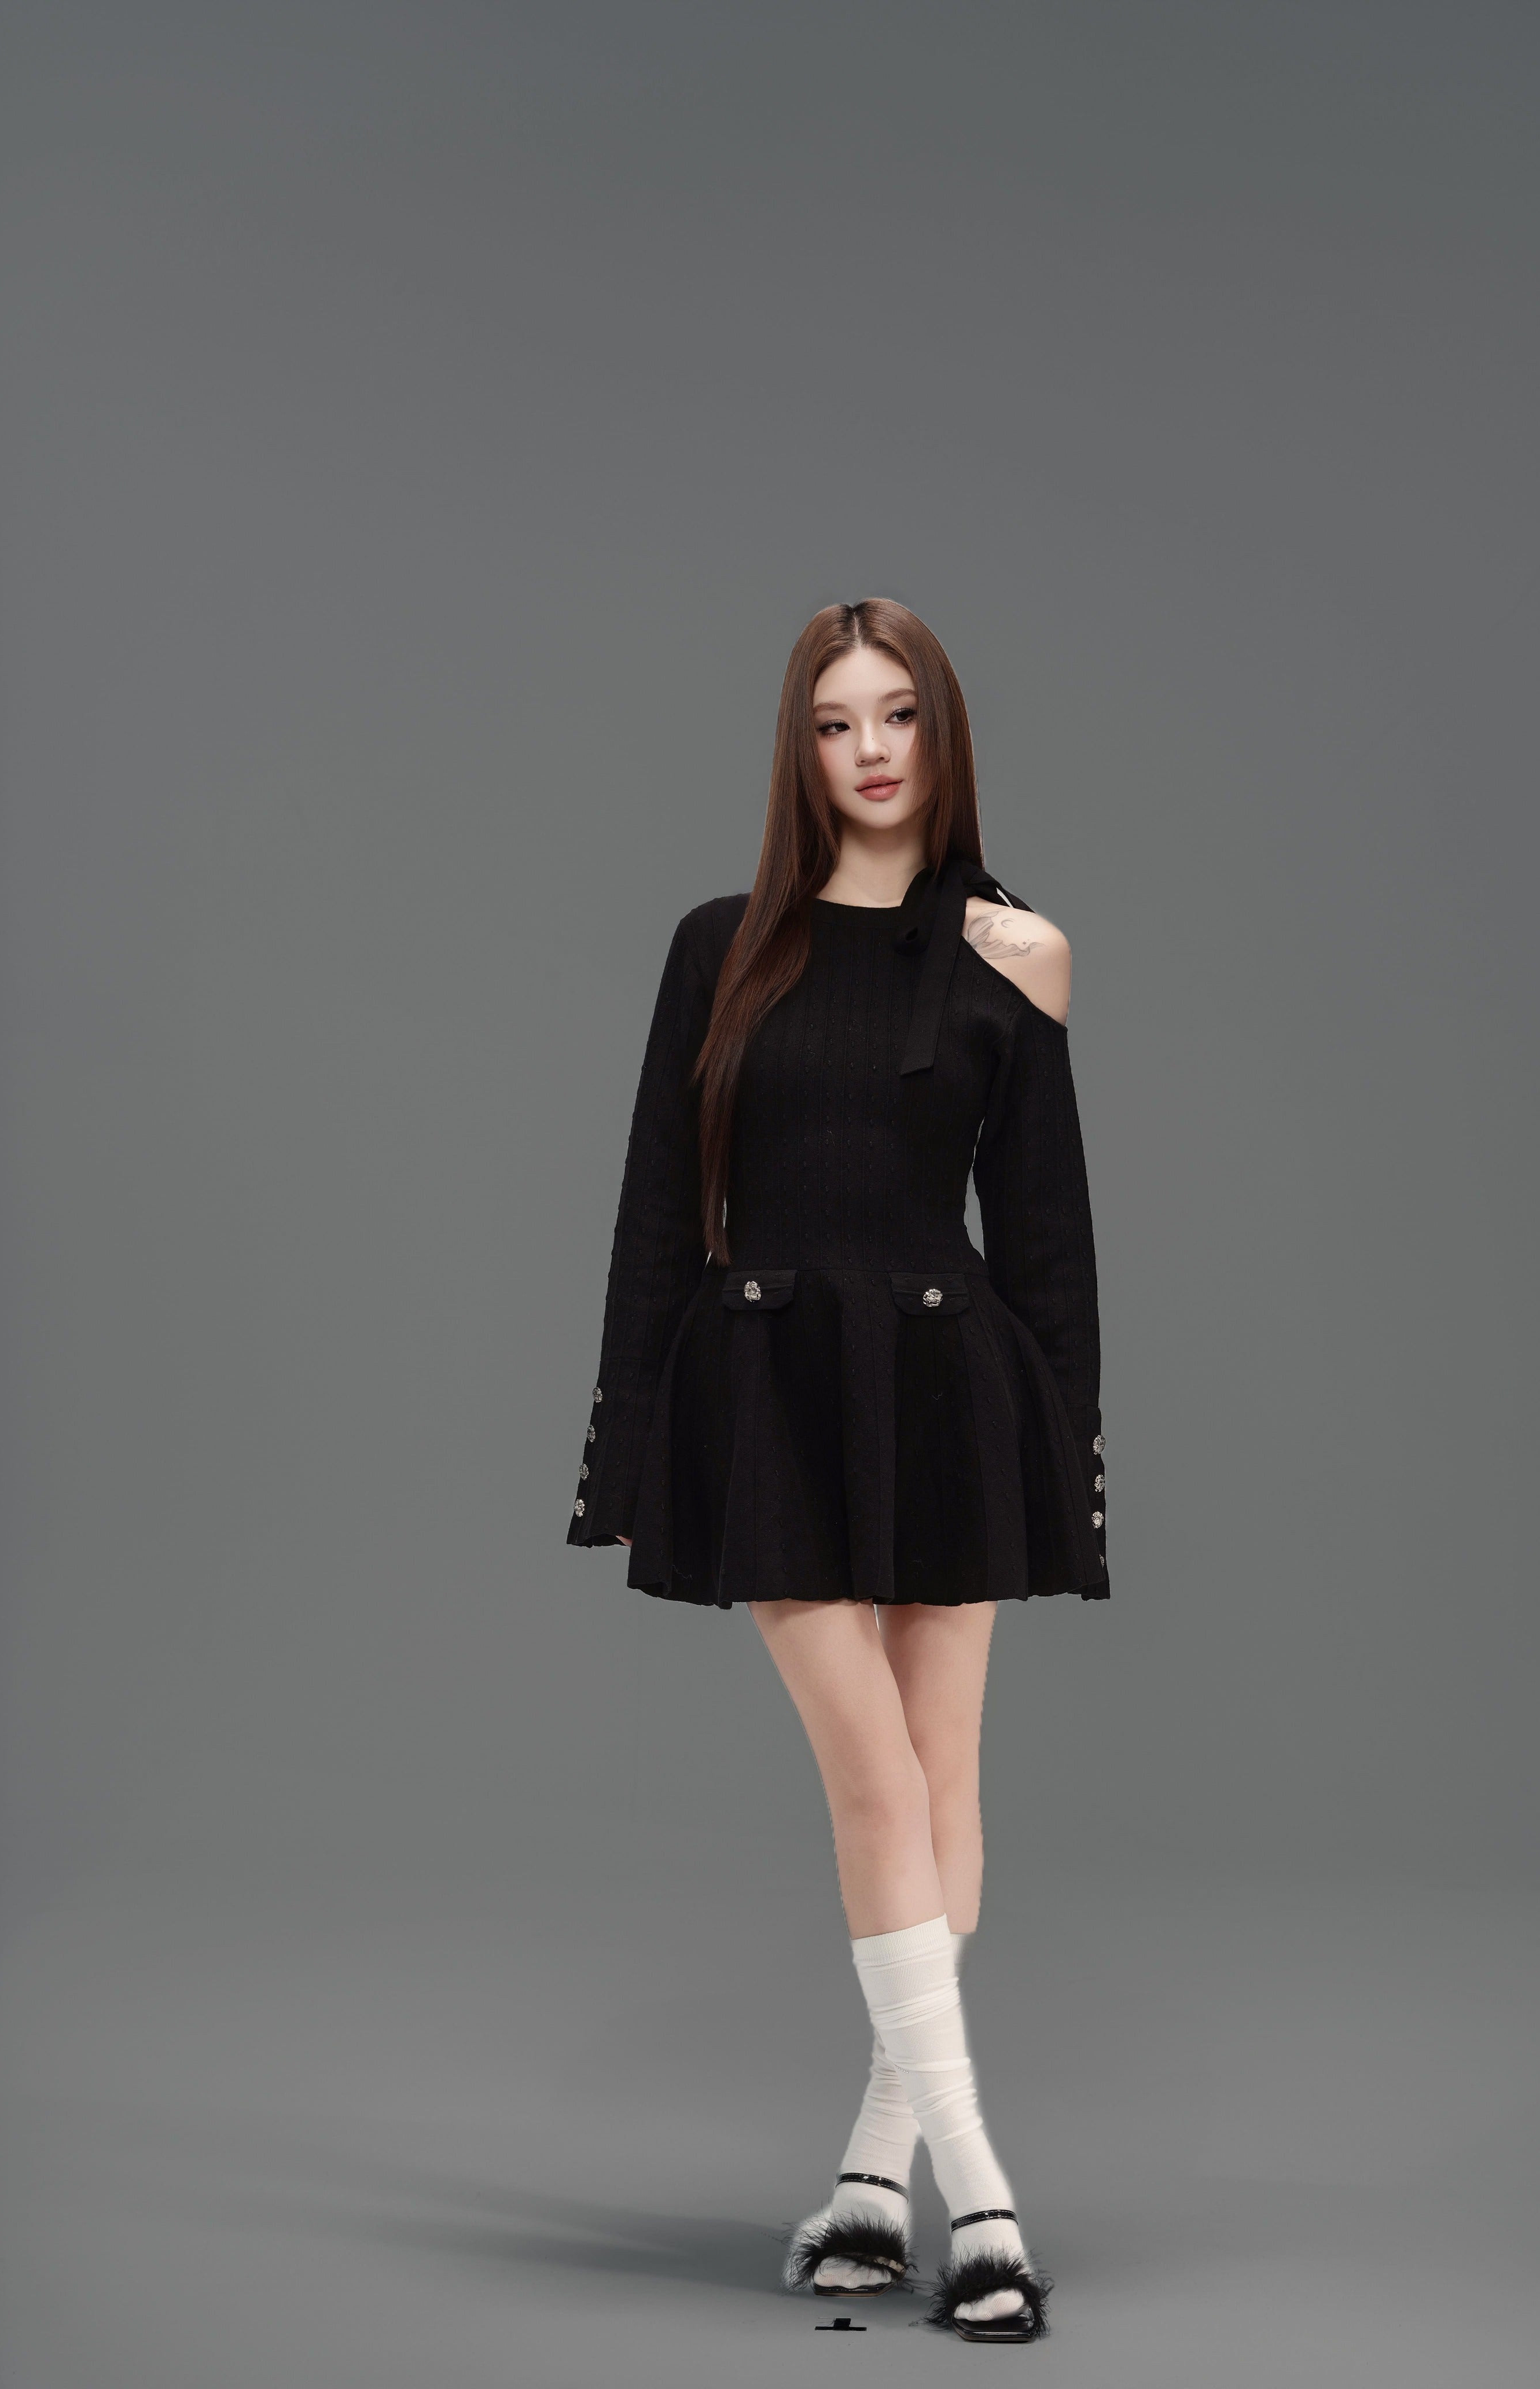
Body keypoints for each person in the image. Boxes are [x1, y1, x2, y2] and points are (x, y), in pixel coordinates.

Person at [567, 598, 1107, 2343]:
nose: (870, 750)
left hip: (954, 1384)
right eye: (833, 722)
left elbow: (1047, 1235)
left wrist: (1071, 1461)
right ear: (798, 751)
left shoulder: (1019, 954)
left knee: (942, 1788)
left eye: (898, 716)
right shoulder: (720, 946)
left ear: (942, 735)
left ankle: (875, 2184)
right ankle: (986, 2202)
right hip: (768, 1388)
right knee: (877, 1782)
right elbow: (661, 1212)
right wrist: (628, 1441)